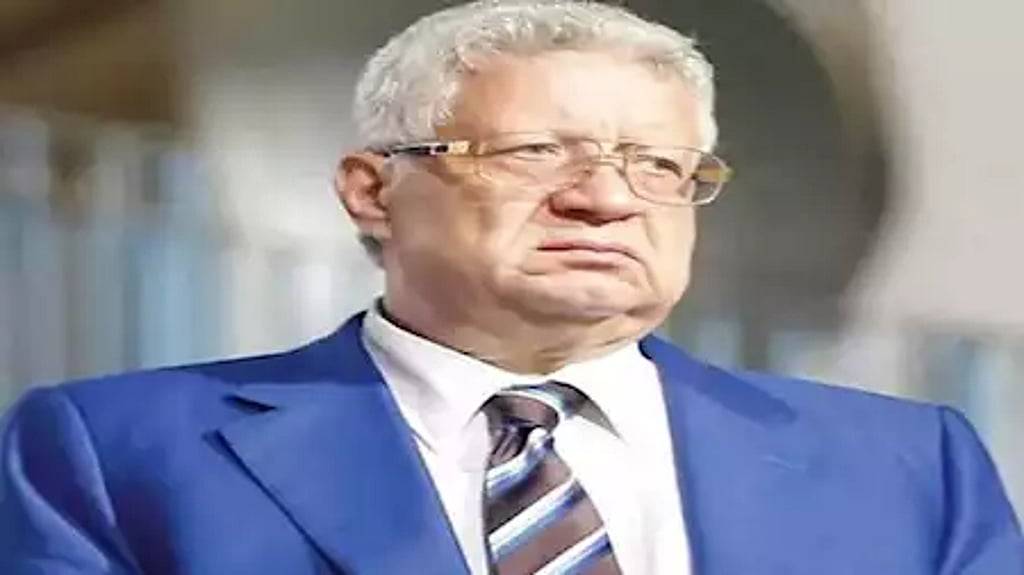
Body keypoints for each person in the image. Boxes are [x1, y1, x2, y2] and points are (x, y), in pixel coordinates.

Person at [1, 1, 1021, 573]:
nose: (606, 199)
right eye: (536, 152)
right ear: (372, 189)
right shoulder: (114, 454)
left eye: (658, 166)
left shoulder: (908, 468)